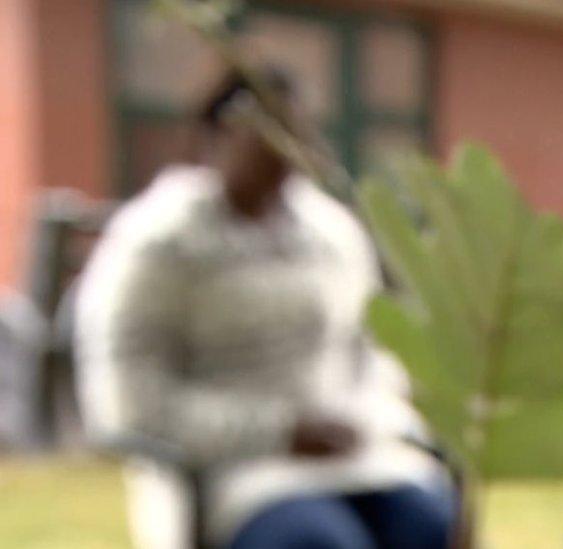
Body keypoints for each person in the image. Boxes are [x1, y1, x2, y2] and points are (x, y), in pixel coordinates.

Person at [74, 68, 454, 549]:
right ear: (221, 132)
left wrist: (371, 418)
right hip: (236, 471)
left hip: (358, 457)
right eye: (269, 133)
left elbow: (374, 351)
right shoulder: (157, 243)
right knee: (320, 542)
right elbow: (126, 406)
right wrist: (279, 431)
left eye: (295, 132)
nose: (285, 150)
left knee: (430, 521)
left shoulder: (330, 231)